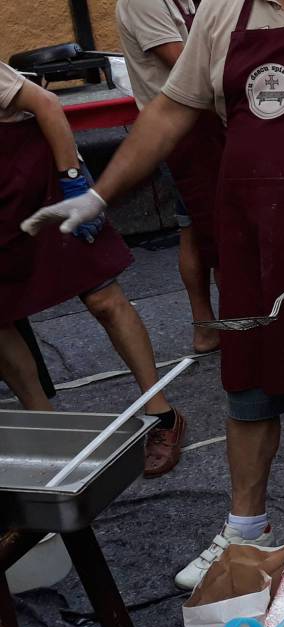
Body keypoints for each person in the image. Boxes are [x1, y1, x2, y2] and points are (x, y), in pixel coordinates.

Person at [22, 0, 284, 590]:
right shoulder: (224, 11)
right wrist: (98, 194)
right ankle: (245, 531)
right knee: (247, 385)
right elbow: (169, 110)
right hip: (253, 237)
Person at [0, 62, 186, 477]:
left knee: (103, 298)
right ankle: (49, 432)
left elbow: (46, 103)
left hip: (45, 176)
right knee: (1, 316)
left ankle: (161, 413)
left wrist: (74, 183)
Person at [116, 0, 225, 354]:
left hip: (203, 123)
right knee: (220, 231)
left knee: (194, 228)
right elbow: (183, 63)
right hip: (181, 131)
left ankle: (209, 327)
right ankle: (236, 327)